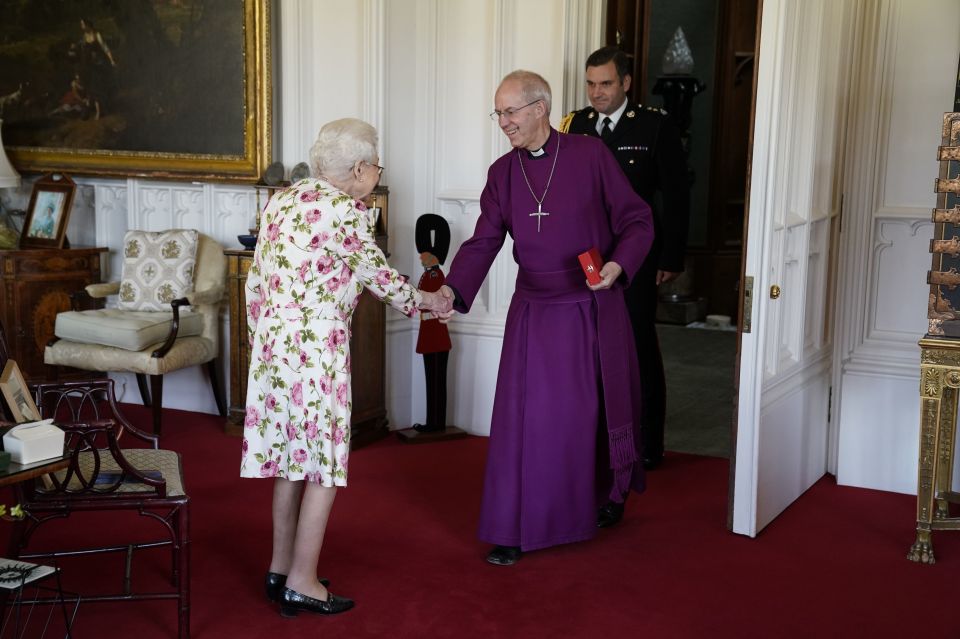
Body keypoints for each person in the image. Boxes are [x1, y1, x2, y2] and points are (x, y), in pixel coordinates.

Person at [436, 70, 654, 566]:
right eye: (498, 113)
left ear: (540, 108)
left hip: (588, 305)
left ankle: (603, 499)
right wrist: (453, 288)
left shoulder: (590, 155)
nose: (503, 123)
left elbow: (637, 219)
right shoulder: (501, 173)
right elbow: (484, 240)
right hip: (533, 311)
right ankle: (514, 525)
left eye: (510, 112)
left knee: (584, 416)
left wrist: (618, 266)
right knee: (524, 422)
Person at [240, 118, 451, 615]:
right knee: (322, 467)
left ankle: (279, 568)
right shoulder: (347, 212)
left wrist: (264, 340)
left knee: (291, 460)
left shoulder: (281, 201)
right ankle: (303, 580)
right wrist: (428, 300)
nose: (377, 172)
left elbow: (255, 282)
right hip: (316, 352)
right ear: (358, 169)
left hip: (273, 348)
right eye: (376, 164)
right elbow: (380, 277)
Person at [562, 46, 691, 486]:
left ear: (627, 84)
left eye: (606, 84)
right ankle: (595, 438)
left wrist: (671, 257)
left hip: (634, 256)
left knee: (636, 344)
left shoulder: (654, 126)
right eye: (591, 84)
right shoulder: (575, 125)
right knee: (586, 344)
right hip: (584, 257)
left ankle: (647, 444)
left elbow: (675, 195)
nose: (597, 93)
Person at [412, 214, 453, 433]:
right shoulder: (429, 273)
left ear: (432, 256)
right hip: (430, 332)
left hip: (435, 332)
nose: (421, 258)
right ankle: (434, 422)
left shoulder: (435, 275)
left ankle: (436, 423)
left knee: (436, 381)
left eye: (424, 255)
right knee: (433, 381)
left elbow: (432, 302)